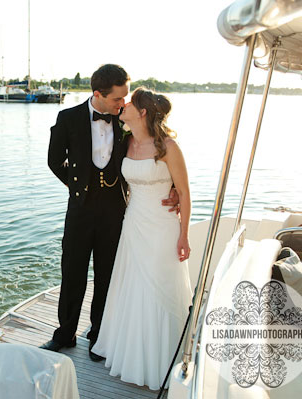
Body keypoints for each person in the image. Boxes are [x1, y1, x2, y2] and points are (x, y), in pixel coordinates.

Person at [42, 65, 178, 362]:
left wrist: (174, 187)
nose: (123, 104)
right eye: (118, 99)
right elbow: (54, 160)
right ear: (98, 94)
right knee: (73, 272)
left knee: (107, 275)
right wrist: (79, 186)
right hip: (79, 210)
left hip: (116, 210)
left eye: (125, 98)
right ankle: (64, 334)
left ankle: (98, 335)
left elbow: (155, 147)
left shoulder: (125, 120)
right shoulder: (68, 118)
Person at [91, 87, 193, 389]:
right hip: (133, 223)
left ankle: (161, 360)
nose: (123, 106)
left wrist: (184, 234)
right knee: (132, 286)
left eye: (129, 103)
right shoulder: (127, 141)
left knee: (157, 287)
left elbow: (185, 193)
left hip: (162, 227)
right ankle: (131, 354)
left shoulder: (168, 147)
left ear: (143, 112)